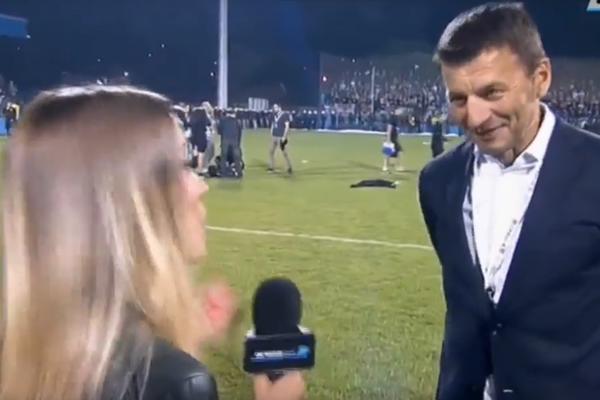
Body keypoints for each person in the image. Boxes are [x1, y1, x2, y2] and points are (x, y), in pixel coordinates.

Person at [0, 85, 307, 400]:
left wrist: (179, 334)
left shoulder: (23, 352)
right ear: (126, 200)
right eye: (183, 166)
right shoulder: (178, 384)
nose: (201, 187)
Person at [418, 3, 600, 400]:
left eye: (492, 92)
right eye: (458, 98)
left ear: (541, 78)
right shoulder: (438, 180)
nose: (475, 116)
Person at [268, 103, 293, 174]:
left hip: (281, 136)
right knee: (271, 152)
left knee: (284, 153)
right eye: (273, 108)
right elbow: (273, 124)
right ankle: (272, 167)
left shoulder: (284, 115)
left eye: (275, 107)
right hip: (274, 136)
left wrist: (284, 136)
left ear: (279, 108)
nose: (274, 109)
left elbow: (287, 126)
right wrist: (271, 131)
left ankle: (289, 167)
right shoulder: (274, 115)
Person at [382, 107, 403, 172]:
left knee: (398, 151)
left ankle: (395, 166)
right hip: (390, 138)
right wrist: (388, 139)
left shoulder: (397, 119)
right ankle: (385, 166)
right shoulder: (393, 117)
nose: (401, 112)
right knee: (388, 152)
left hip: (394, 138)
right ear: (396, 110)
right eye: (400, 110)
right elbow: (389, 128)